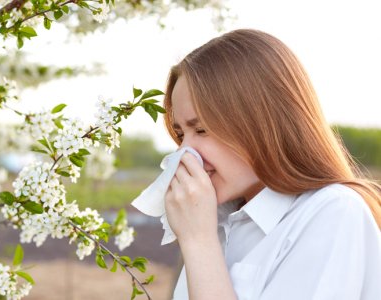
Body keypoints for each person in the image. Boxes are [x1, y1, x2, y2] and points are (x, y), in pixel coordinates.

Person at [163, 29, 381, 300]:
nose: (185, 153)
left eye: (202, 130)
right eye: (181, 134)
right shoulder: (217, 222)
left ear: (261, 122)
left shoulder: (332, 213)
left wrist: (199, 242)